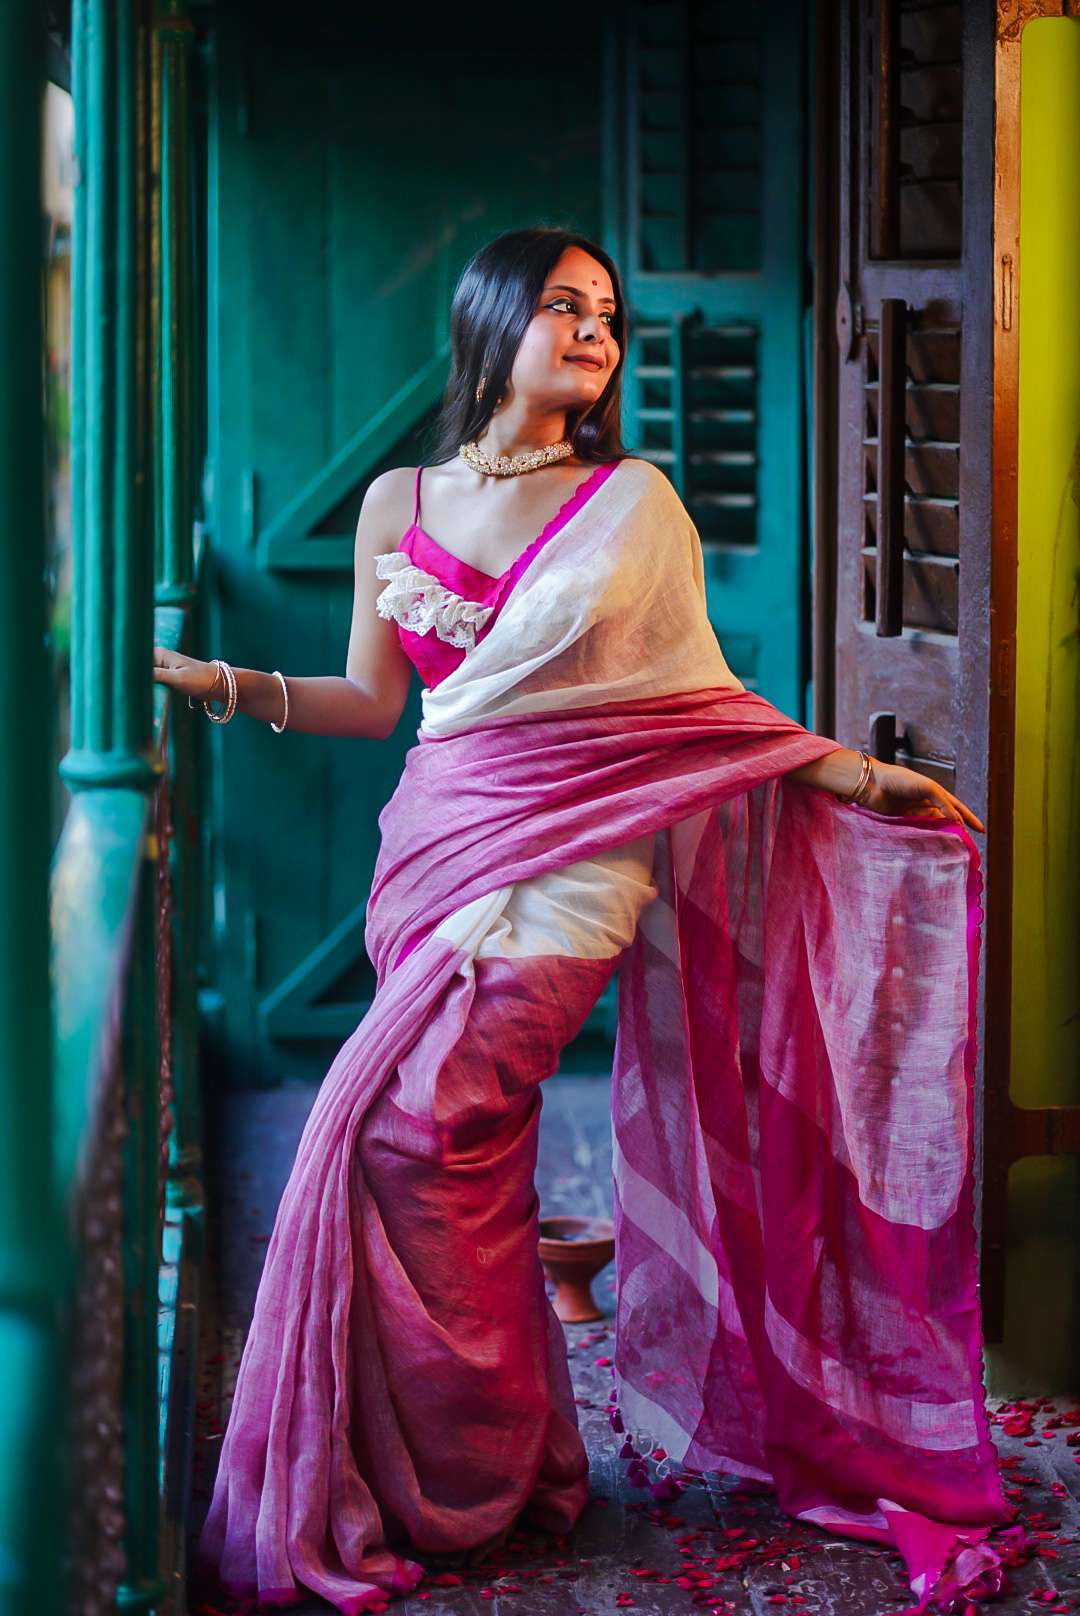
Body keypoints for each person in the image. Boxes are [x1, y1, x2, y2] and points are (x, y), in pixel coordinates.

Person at [154, 227, 1012, 1616]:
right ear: (492, 322)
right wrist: (222, 682)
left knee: (413, 1132)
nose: (595, 330)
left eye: (607, 311)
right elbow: (375, 703)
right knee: (465, 1152)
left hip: (573, 871)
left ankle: (466, 1464)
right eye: (564, 306)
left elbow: (694, 701)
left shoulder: (634, 505)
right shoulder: (396, 501)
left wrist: (854, 775)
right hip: (436, 850)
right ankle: (495, 1466)